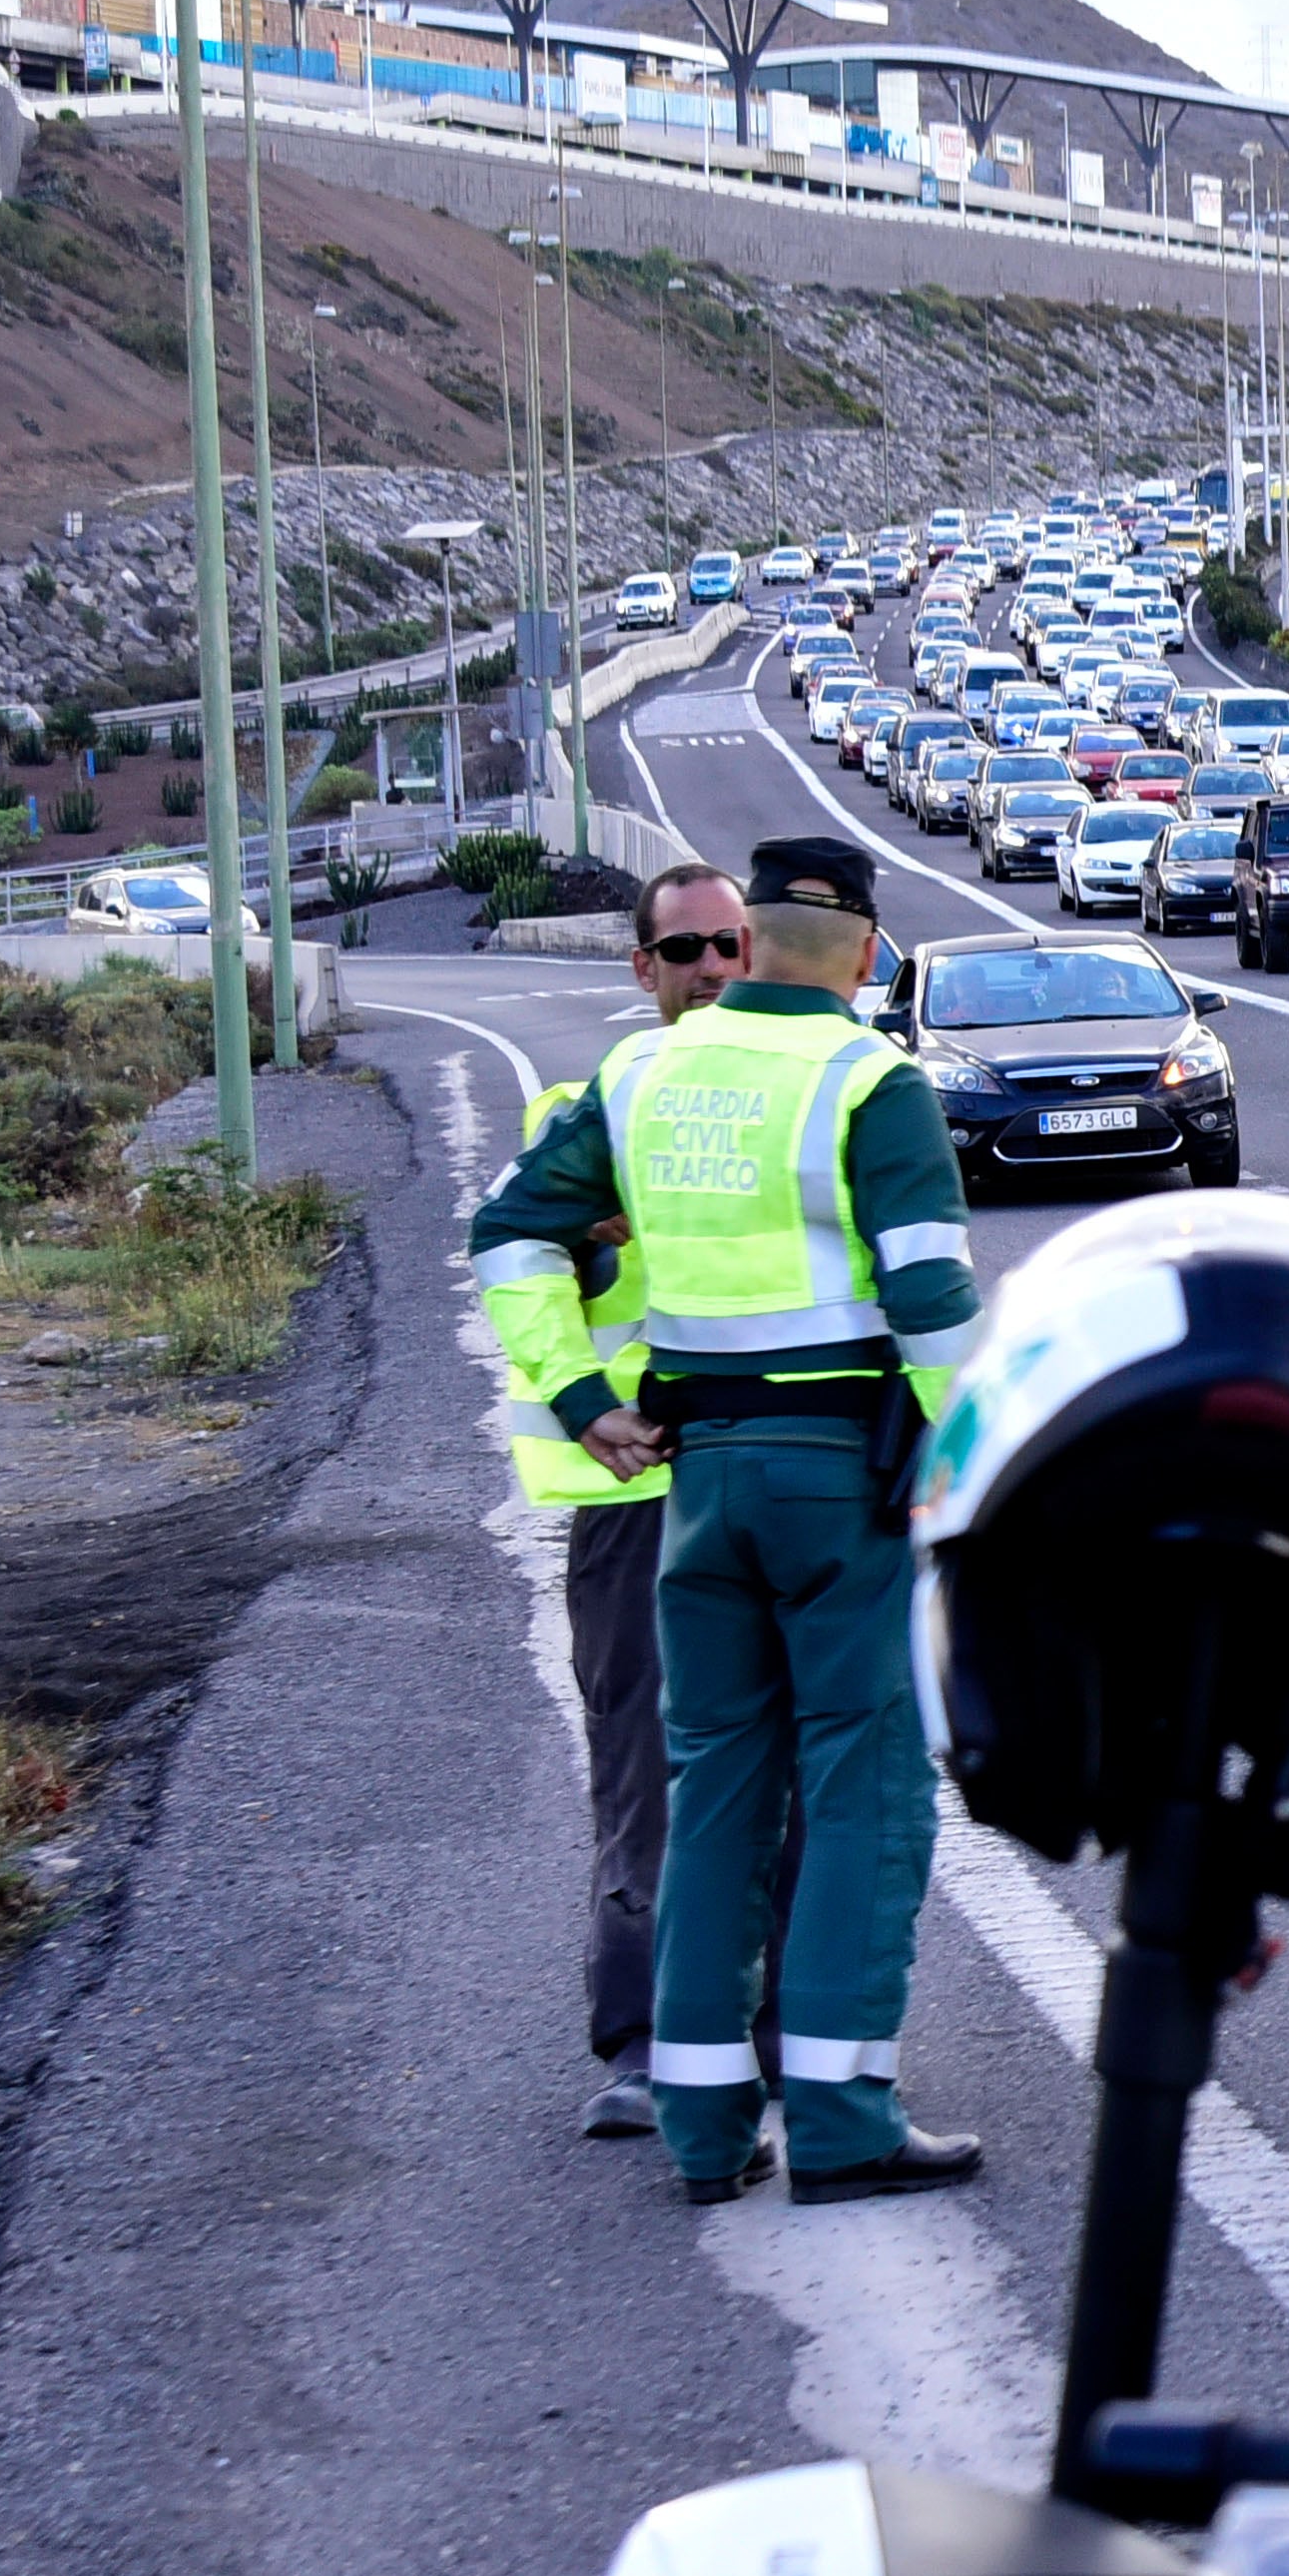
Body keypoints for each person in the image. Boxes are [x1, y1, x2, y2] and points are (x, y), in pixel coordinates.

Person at [466, 834, 983, 2208]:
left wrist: (584, 1396)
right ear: (864, 957)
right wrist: (972, 1457)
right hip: (839, 1482)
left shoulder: (638, 1077)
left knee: (712, 1795)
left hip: (692, 1484)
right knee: (864, 1792)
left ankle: (701, 2128)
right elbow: (931, 1300)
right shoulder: (870, 1079)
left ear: (745, 944)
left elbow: (508, 1231)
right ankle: (843, 2116)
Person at [474, 865, 746, 2137]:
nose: (711, 967)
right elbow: (516, 1251)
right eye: (684, 949)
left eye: (730, 943)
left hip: (779, 1483)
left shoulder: (802, 1098)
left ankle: (783, 2028)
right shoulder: (591, 1113)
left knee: (794, 1762)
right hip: (639, 1498)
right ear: (641, 969)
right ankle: (644, 2038)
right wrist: (583, 1396)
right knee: (644, 1764)